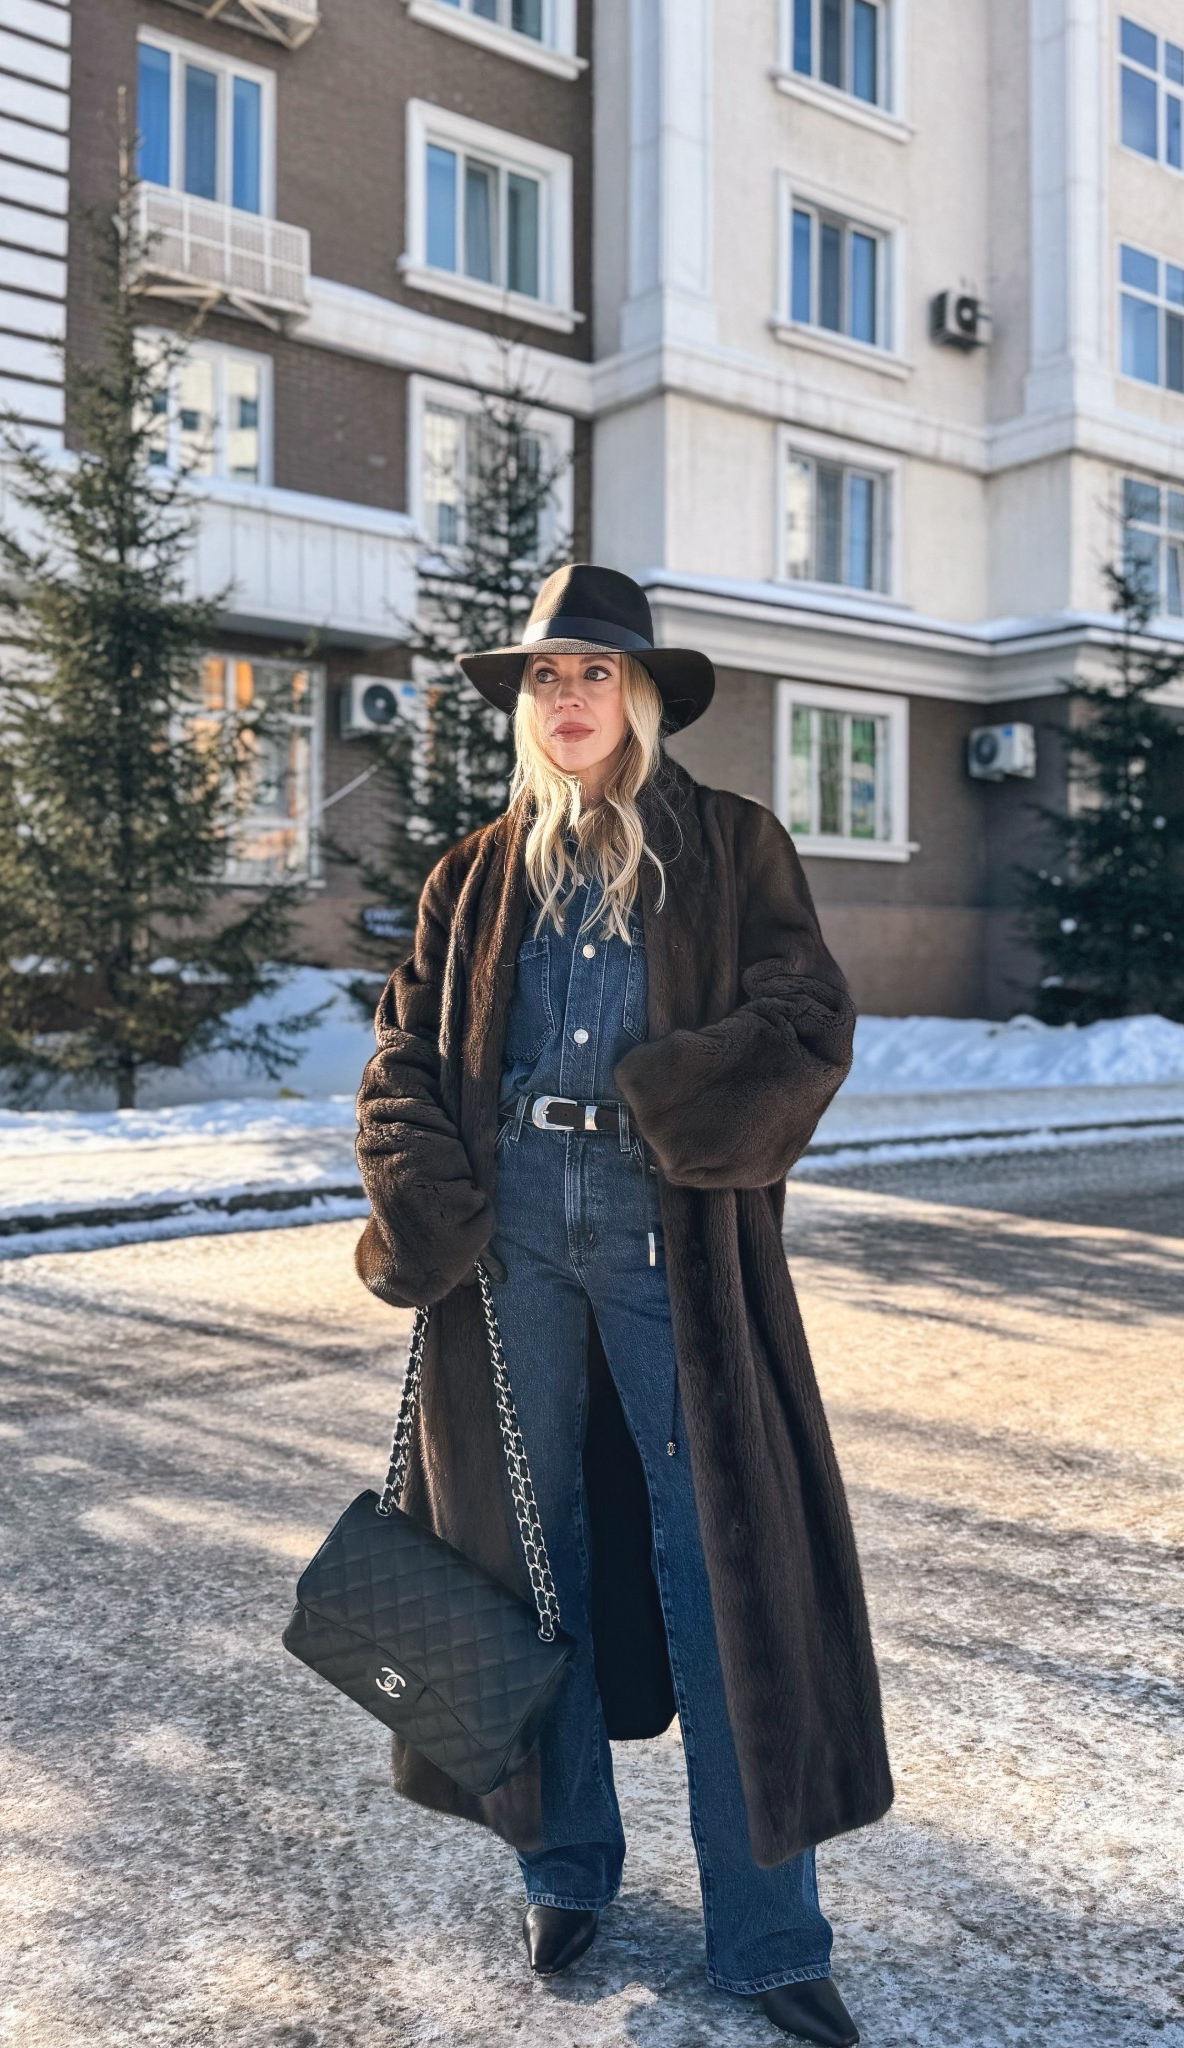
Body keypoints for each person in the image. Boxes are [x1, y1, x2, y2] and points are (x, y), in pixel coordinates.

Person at [353, 565, 893, 2047]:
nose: (568, 697)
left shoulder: (730, 845)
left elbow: (806, 1021)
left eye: (594, 673)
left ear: (642, 695)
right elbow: (401, 1059)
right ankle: (566, 1866)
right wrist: (430, 1198)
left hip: (673, 1247)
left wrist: (671, 1100)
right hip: (509, 1246)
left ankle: (772, 1932)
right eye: (544, 677)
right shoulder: (474, 874)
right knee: (531, 1560)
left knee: (724, 1571)